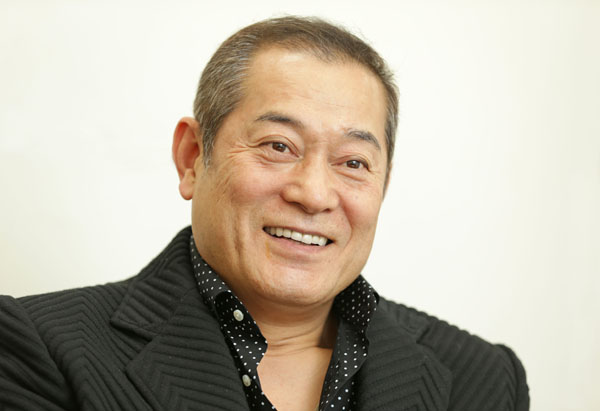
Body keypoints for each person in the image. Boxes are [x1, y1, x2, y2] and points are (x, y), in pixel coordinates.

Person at [0, 16, 529, 411]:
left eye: (353, 162)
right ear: (192, 157)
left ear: (383, 186)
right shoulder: (41, 348)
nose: (314, 194)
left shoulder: (482, 377)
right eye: (278, 146)